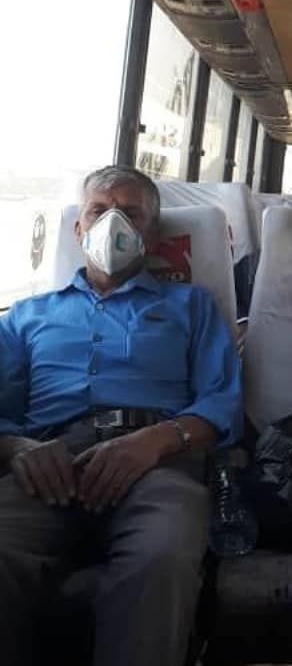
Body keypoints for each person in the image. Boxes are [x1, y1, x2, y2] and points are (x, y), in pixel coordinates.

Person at [0, 166, 243, 666]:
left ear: (151, 236)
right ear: (78, 228)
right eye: (99, 210)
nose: (113, 222)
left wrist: (154, 441)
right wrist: (18, 447)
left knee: (160, 558)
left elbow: (222, 404)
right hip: (48, 462)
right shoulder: (25, 316)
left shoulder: (192, 307)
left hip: (157, 459)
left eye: (131, 213)